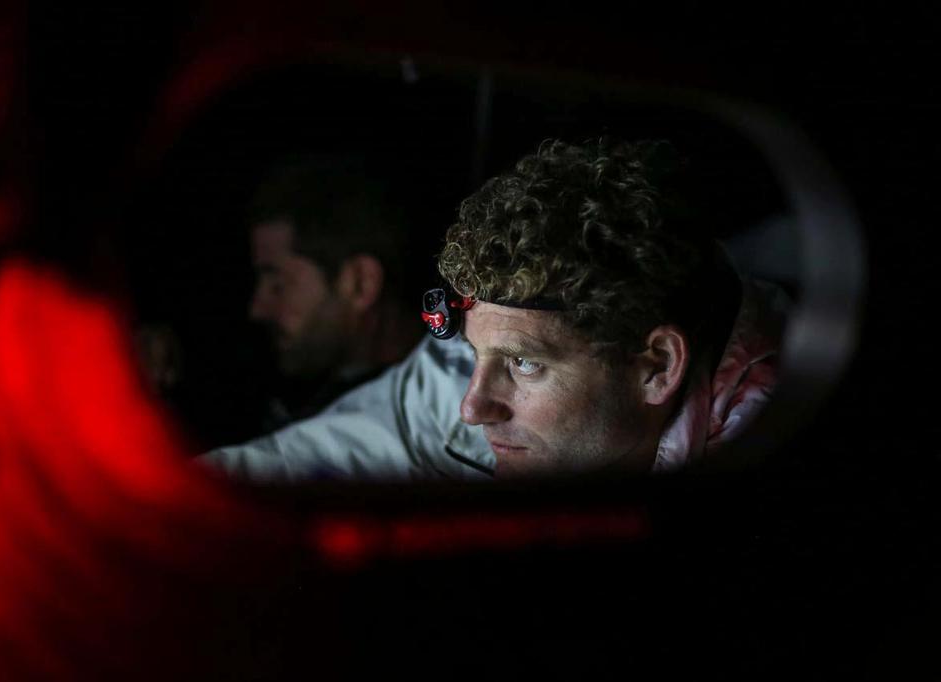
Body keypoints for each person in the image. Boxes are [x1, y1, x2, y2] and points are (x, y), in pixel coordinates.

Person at [204, 138, 787, 481]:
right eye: (474, 351)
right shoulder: (465, 366)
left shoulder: (776, 435)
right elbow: (293, 463)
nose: (472, 406)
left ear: (657, 366)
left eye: (526, 365)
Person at [244, 160, 424, 427]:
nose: (257, 309)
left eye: (278, 284)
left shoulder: (419, 422)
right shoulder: (297, 388)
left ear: (361, 284)